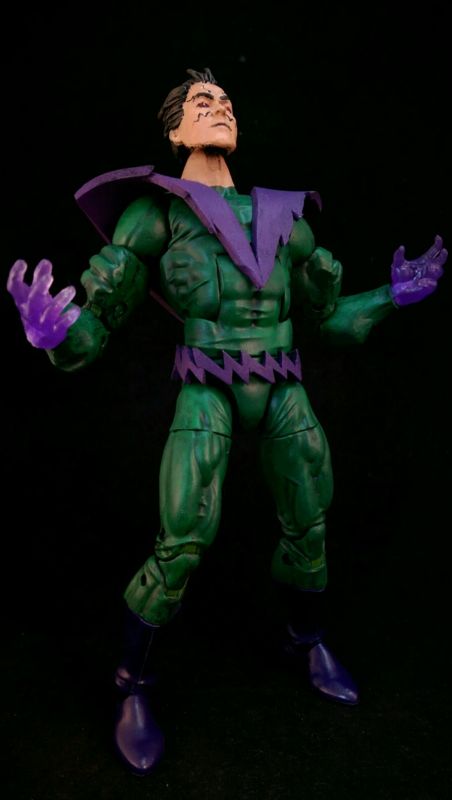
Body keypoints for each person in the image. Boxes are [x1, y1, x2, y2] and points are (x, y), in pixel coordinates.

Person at [7, 67, 447, 776]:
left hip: (282, 381)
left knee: (310, 518)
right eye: (203, 102)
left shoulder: (286, 216)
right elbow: (98, 320)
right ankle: (132, 683)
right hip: (207, 383)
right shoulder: (155, 215)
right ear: (175, 130)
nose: (220, 109)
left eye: (227, 101)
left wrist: (389, 297)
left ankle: (306, 639)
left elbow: (327, 320)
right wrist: (54, 333)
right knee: (183, 536)